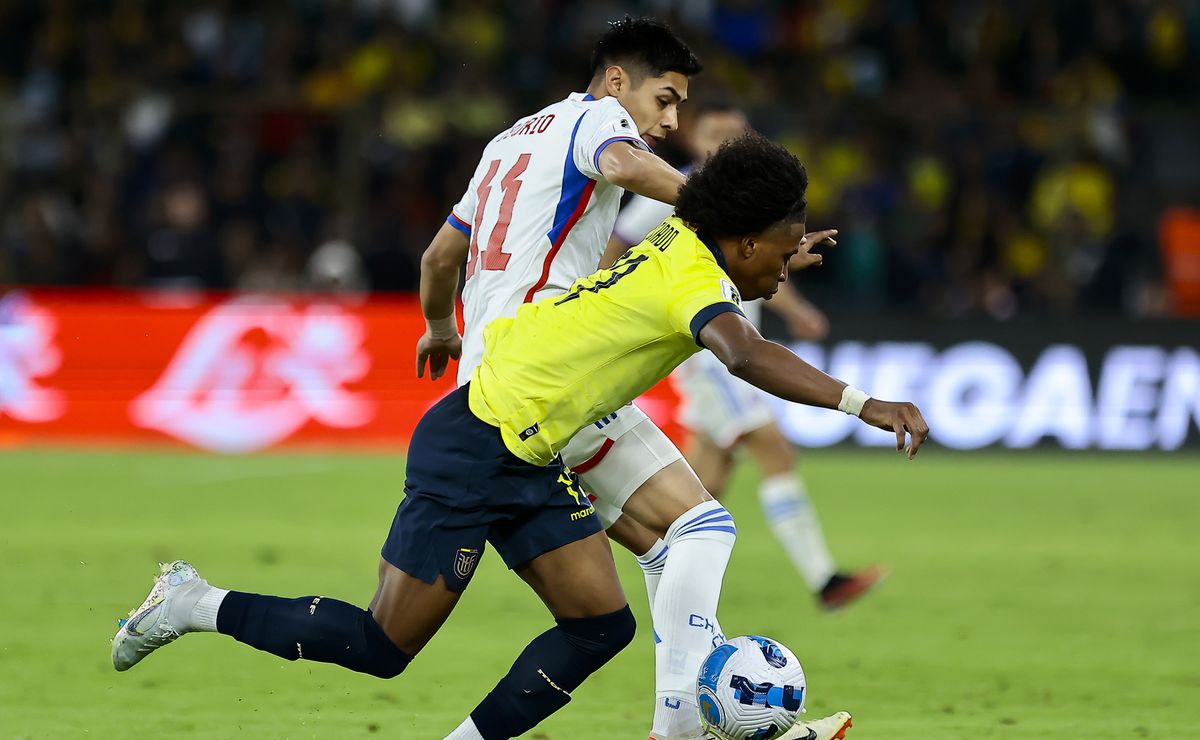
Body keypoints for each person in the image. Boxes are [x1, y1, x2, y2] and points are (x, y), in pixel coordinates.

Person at [110, 133, 924, 740]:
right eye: (781, 251)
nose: (785, 270)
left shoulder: (690, 238)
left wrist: (777, 249)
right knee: (381, 645)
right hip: (475, 442)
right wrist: (865, 403)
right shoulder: (693, 277)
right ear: (744, 242)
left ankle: (672, 725)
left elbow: (737, 268)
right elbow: (745, 352)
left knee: (606, 619)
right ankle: (193, 602)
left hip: (536, 447)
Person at [415, 17, 741, 738]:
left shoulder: (508, 141)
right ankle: (683, 729)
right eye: (665, 98)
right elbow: (624, 166)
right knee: (700, 526)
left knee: (664, 549)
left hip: (484, 385)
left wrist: (440, 327)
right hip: (548, 371)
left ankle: (684, 723)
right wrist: (729, 210)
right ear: (618, 83)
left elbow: (440, 257)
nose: (672, 119)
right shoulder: (596, 122)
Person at [608, 103, 885, 611]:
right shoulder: (676, 188)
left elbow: (755, 266)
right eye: (716, 134)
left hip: (726, 338)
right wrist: (609, 301)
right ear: (695, 140)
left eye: (736, 135)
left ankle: (655, 563)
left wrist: (796, 309)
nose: (725, 143)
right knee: (774, 451)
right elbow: (618, 244)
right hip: (709, 353)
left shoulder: (736, 204)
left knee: (702, 484)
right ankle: (825, 580)